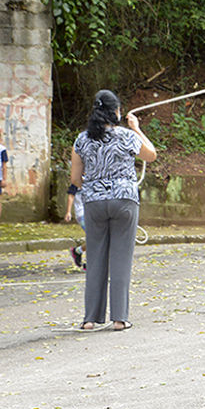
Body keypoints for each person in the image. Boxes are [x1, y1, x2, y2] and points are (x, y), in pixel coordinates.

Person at [69, 89, 157, 331]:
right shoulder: (127, 136)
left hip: (94, 202)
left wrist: (95, 181)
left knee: (95, 259)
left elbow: (76, 179)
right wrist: (136, 127)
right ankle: (119, 319)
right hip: (124, 200)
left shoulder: (81, 140)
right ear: (116, 111)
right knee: (121, 259)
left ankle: (90, 319)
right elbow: (151, 154)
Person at [63, 183, 86, 270]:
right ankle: (90, 263)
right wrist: (68, 212)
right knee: (95, 237)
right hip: (82, 213)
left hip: (93, 212)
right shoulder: (77, 181)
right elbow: (71, 196)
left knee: (97, 237)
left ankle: (77, 251)